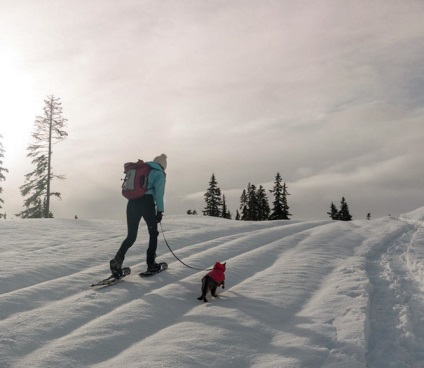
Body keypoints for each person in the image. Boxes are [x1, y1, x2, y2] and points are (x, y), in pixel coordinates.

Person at [110, 153, 167, 278]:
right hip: (147, 203)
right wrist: (160, 211)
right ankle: (151, 264)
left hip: (132, 203)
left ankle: (117, 260)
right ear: (163, 165)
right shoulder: (159, 174)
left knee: (131, 235)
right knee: (153, 233)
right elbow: (159, 195)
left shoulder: (143, 170)